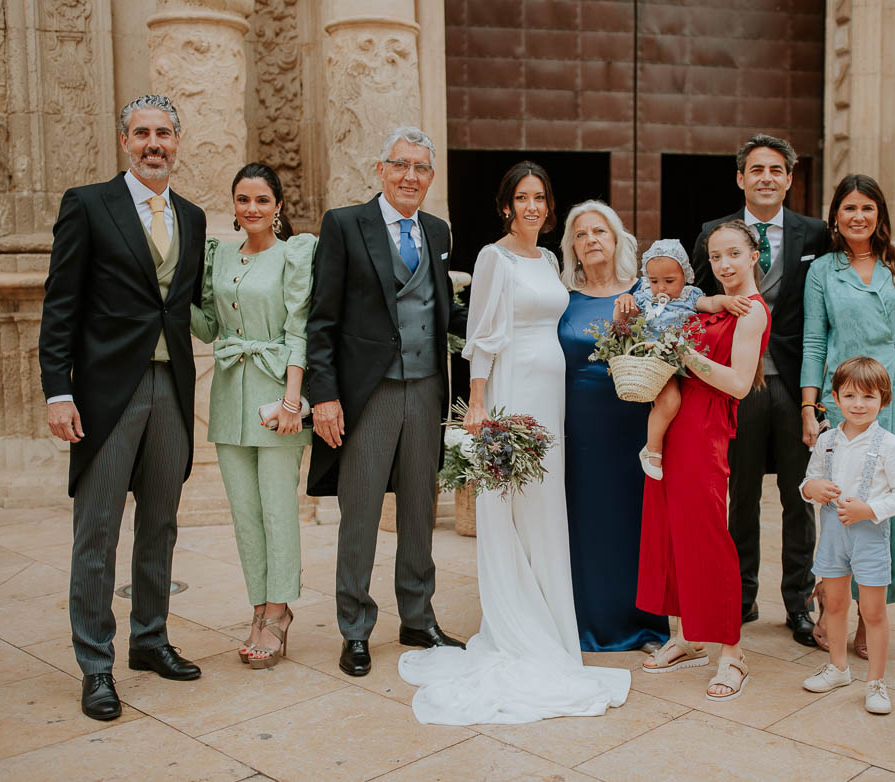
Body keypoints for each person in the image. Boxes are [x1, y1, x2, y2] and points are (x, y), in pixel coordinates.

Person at [398, 162, 631, 724]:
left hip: (555, 396)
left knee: (546, 508)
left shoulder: (551, 260)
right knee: (511, 506)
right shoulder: (492, 257)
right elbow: (480, 337)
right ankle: (517, 626)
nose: (532, 207)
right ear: (506, 205)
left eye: (540, 198)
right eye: (522, 198)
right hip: (513, 389)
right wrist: (478, 404)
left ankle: (552, 622)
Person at [39, 95, 205, 720]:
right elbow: (61, 306)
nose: (153, 143)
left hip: (172, 388)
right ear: (124, 141)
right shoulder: (88, 205)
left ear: (178, 142)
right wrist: (60, 390)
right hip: (107, 392)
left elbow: (184, 305)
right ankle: (94, 663)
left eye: (164, 133)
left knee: (160, 521)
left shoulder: (190, 214)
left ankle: (150, 638)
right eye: (142, 134)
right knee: (98, 529)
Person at [305, 126, 467, 678]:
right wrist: (322, 396)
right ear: (380, 170)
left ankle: (418, 617)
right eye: (400, 165)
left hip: (425, 388)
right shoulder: (345, 225)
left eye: (421, 167)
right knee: (362, 513)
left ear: (430, 176)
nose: (409, 176)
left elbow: (443, 310)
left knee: (421, 507)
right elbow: (321, 320)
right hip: (367, 394)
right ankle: (355, 627)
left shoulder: (439, 232)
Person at [692, 134, 829, 647]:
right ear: (740, 178)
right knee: (741, 494)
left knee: (799, 497)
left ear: (790, 178)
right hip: (736, 385)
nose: (766, 177)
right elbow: (689, 294)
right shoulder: (714, 233)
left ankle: (798, 604)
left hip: (795, 386)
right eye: (756, 169)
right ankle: (742, 595)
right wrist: (710, 304)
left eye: (777, 169)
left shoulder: (815, 234)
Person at [802, 173, 895, 657]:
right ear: (835, 218)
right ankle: (830, 598)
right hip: (842, 400)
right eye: (848, 208)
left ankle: (870, 616)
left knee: (888, 506)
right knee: (843, 503)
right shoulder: (823, 270)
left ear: (879, 213)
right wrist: (808, 405)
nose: (858, 216)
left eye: (867, 207)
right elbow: (815, 340)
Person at [638, 219, 770, 701]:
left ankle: (733, 654)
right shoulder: (704, 304)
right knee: (670, 530)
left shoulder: (752, 312)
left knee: (709, 538)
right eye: (716, 257)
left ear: (753, 255)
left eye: (733, 254)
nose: (725, 264)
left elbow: (738, 383)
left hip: (707, 431)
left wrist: (683, 353)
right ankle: (686, 637)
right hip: (674, 426)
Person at [190, 163, 315, 669]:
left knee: (277, 509)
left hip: (275, 399)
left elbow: (299, 330)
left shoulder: (295, 253)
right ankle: (258, 607)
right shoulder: (218, 257)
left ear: (278, 206)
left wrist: (292, 402)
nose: (252, 209)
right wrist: (166, 298)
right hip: (228, 400)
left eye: (262, 200)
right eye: (243, 200)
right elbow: (206, 327)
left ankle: (280, 611)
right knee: (244, 513)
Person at [556, 201, 670, 652]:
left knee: (635, 519)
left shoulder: (645, 292)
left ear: (618, 238)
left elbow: (668, 346)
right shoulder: (561, 297)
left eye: (599, 231)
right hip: (578, 424)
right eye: (581, 235)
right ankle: (588, 622)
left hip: (633, 422)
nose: (591, 241)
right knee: (586, 520)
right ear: (573, 248)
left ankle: (642, 623)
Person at [799, 357, 895, 715]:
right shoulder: (827, 440)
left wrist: (870, 509)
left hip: (869, 536)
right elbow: (807, 481)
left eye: (868, 397)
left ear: (884, 400)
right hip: (833, 534)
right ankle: (838, 667)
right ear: (835, 397)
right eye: (850, 396)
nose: (859, 405)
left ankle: (876, 682)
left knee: (873, 610)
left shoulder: (890, 445)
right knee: (834, 604)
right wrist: (811, 488)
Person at [613, 240, 750, 480]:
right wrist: (625, 303)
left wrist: (727, 301)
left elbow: (710, 303)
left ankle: (659, 447)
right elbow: (628, 319)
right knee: (669, 401)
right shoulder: (645, 296)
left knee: (680, 403)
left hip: (681, 360)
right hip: (655, 360)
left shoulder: (688, 296)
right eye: (654, 281)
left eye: (669, 281)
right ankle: (652, 449)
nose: (661, 288)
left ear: (684, 277)